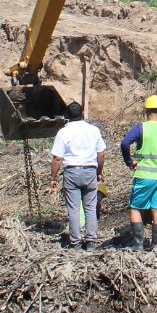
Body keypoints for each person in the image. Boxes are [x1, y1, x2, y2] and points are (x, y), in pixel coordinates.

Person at [120, 94, 157, 251]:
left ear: (146, 111)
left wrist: (129, 162)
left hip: (144, 175)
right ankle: (155, 245)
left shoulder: (141, 128)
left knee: (136, 208)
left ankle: (138, 244)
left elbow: (125, 143)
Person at [48, 101, 106, 250]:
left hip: (72, 172)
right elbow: (101, 154)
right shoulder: (94, 130)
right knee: (90, 208)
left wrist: (53, 178)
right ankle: (91, 242)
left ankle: (75, 243)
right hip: (90, 171)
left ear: (67, 116)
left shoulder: (63, 132)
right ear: (82, 114)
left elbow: (57, 158)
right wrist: (99, 173)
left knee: (73, 209)